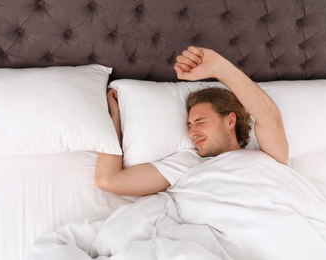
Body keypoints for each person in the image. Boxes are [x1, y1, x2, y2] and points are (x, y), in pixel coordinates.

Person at [95, 46, 288, 196]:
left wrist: (220, 68)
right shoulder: (186, 163)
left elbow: (271, 119)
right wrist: (115, 116)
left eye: (201, 121)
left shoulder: (267, 157)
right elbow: (108, 180)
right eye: (189, 125)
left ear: (230, 121)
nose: (192, 132)